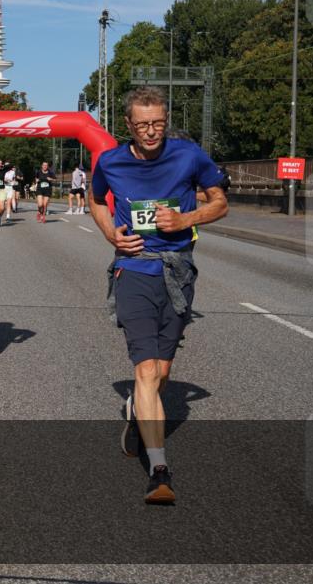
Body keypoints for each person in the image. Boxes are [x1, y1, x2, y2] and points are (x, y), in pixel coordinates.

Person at [89, 86, 228, 504]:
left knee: (161, 374)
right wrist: (110, 231)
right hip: (133, 269)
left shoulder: (188, 155)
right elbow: (97, 201)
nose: (151, 132)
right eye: (143, 124)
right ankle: (159, 470)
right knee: (147, 370)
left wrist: (186, 217)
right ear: (127, 125)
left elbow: (220, 202)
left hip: (179, 271)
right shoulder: (110, 160)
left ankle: (137, 409)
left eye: (158, 123)